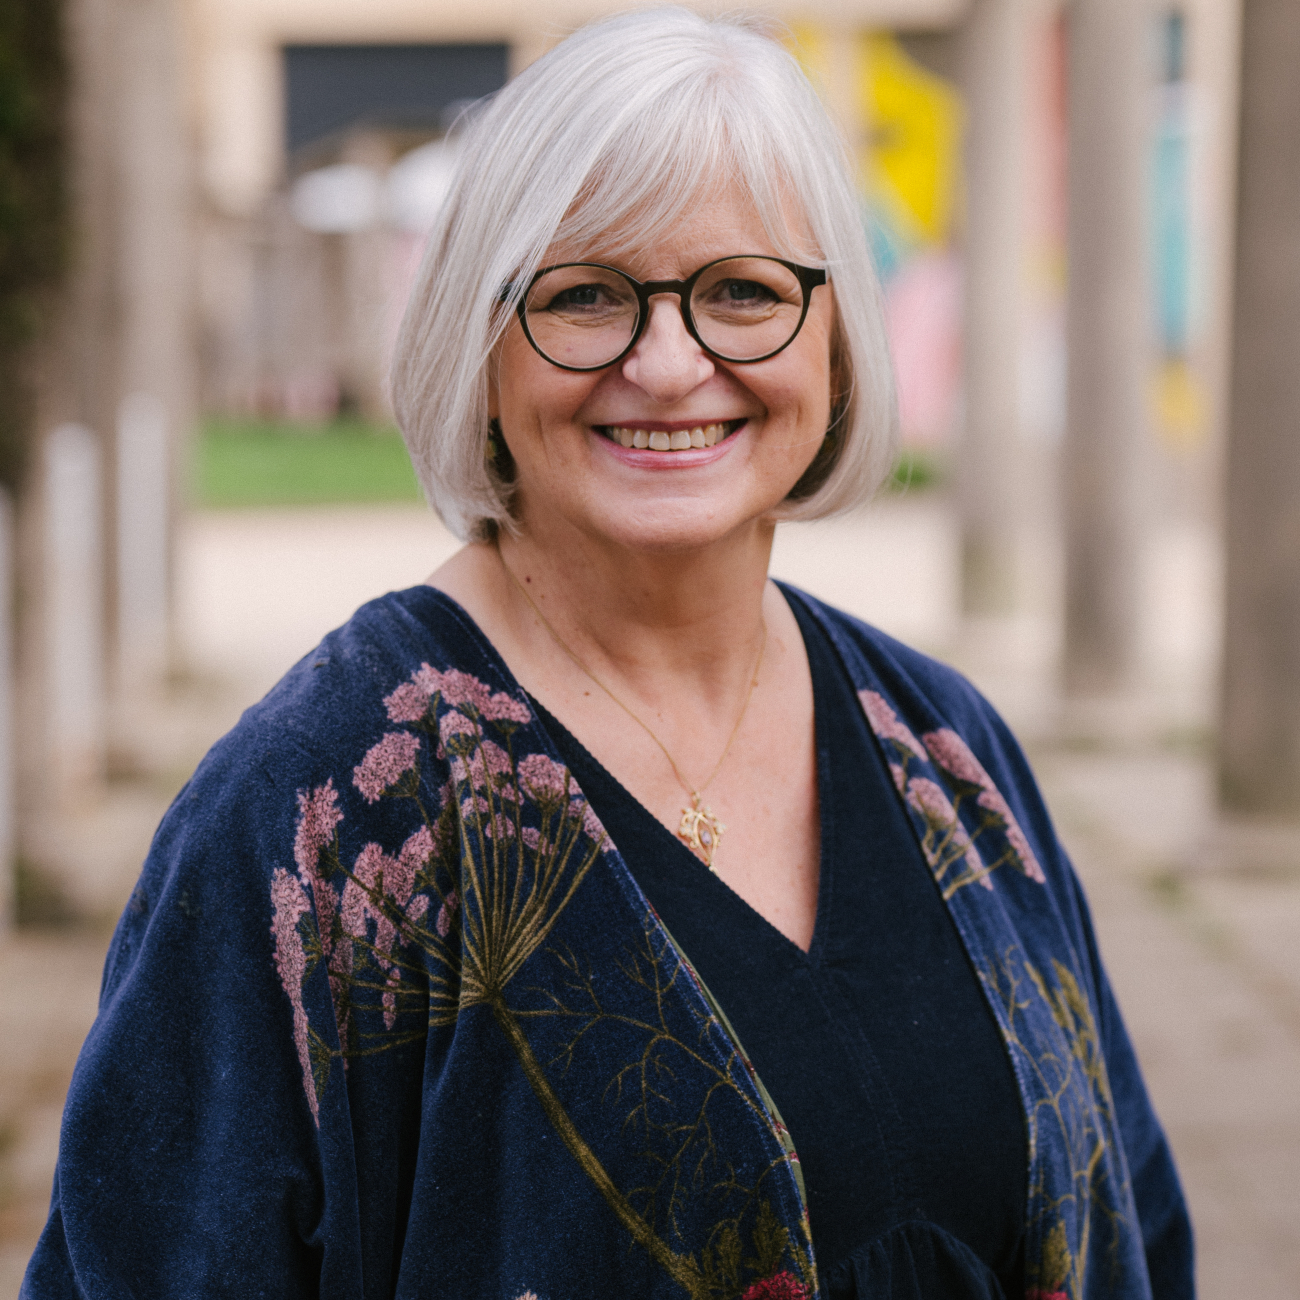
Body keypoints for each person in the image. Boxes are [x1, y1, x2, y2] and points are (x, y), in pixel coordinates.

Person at [24, 9, 1193, 1299]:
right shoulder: (317, 819)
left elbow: (1136, 1224)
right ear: (479, 346)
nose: (669, 360)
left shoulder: (949, 751)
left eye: (743, 290)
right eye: (586, 295)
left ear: (838, 338)